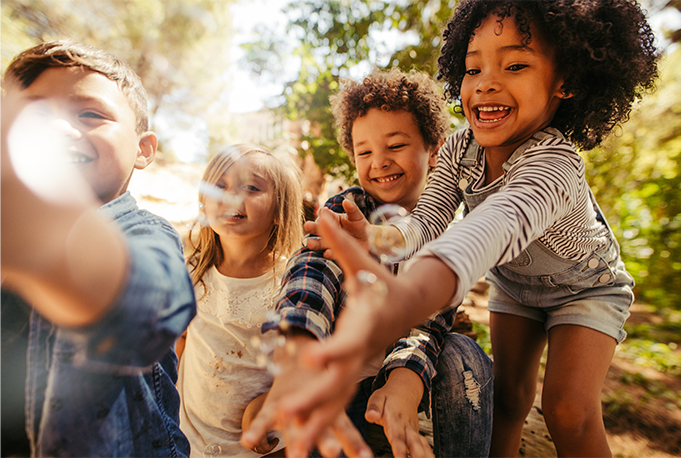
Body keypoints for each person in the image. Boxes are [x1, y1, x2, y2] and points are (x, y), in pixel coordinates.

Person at [245, 1, 661, 456]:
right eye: (473, 68)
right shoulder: (461, 149)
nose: (485, 83)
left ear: (566, 81)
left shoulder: (554, 164)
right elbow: (426, 220)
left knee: (567, 410)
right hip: (517, 287)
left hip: (585, 286)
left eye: (516, 64)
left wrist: (413, 292)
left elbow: (494, 226)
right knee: (508, 400)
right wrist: (377, 239)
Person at [243, 68, 493, 458]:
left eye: (395, 146)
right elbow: (312, 274)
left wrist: (404, 381)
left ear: (435, 149)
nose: (379, 162)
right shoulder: (348, 208)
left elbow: (430, 322)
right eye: (364, 152)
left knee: (466, 356)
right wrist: (299, 350)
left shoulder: (448, 232)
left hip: (411, 371)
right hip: (342, 374)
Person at [1, 41, 197, 457]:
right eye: (33, 114)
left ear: (143, 149)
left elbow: (156, 311)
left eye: (89, 114)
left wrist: (47, 246)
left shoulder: (145, 231)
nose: (56, 130)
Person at [175, 144, 304, 458]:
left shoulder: (293, 280)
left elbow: (308, 360)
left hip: (265, 444)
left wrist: (273, 400)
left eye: (251, 187)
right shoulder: (193, 272)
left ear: (279, 211)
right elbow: (181, 342)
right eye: (220, 185)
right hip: (191, 438)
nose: (231, 195)